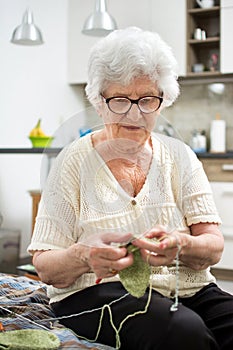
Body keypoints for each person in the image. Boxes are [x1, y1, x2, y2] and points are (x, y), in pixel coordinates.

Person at [28, 27, 233, 350]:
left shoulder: (180, 156)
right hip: (96, 293)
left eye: (147, 99)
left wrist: (181, 244)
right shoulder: (73, 160)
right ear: (98, 102)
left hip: (189, 289)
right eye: (120, 100)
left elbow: (213, 246)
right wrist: (85, 256)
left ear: (162, 102)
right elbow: (45, 265)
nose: (135, 114)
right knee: (183, 330)